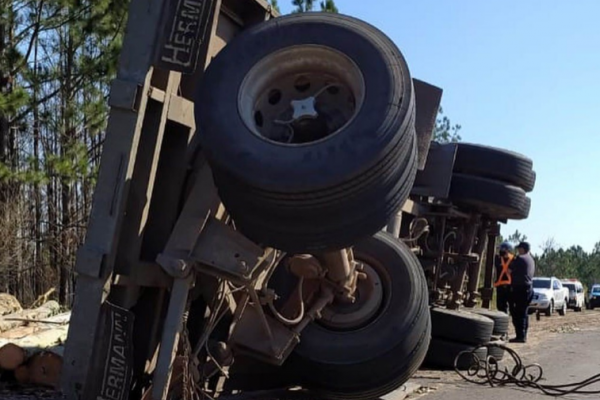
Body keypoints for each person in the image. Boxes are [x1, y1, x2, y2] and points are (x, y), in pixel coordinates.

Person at [508, 241, 536, 343]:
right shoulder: (531, 259)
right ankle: (523, 334)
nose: (518, 250)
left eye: (519, 248)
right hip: (529, 288)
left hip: (520, 289)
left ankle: (520, 336)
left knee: (518, 313)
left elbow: (509, 270)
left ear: (523, 249)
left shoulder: (520, 259)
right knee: (524, 312)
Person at [494, 242, 514, 313]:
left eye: (503, 249)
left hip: (510, 286)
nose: (501, 251)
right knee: (500, 305)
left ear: (508, 250)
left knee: (509, 305)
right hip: (499, 286)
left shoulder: (513, 260)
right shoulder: (498, 259)